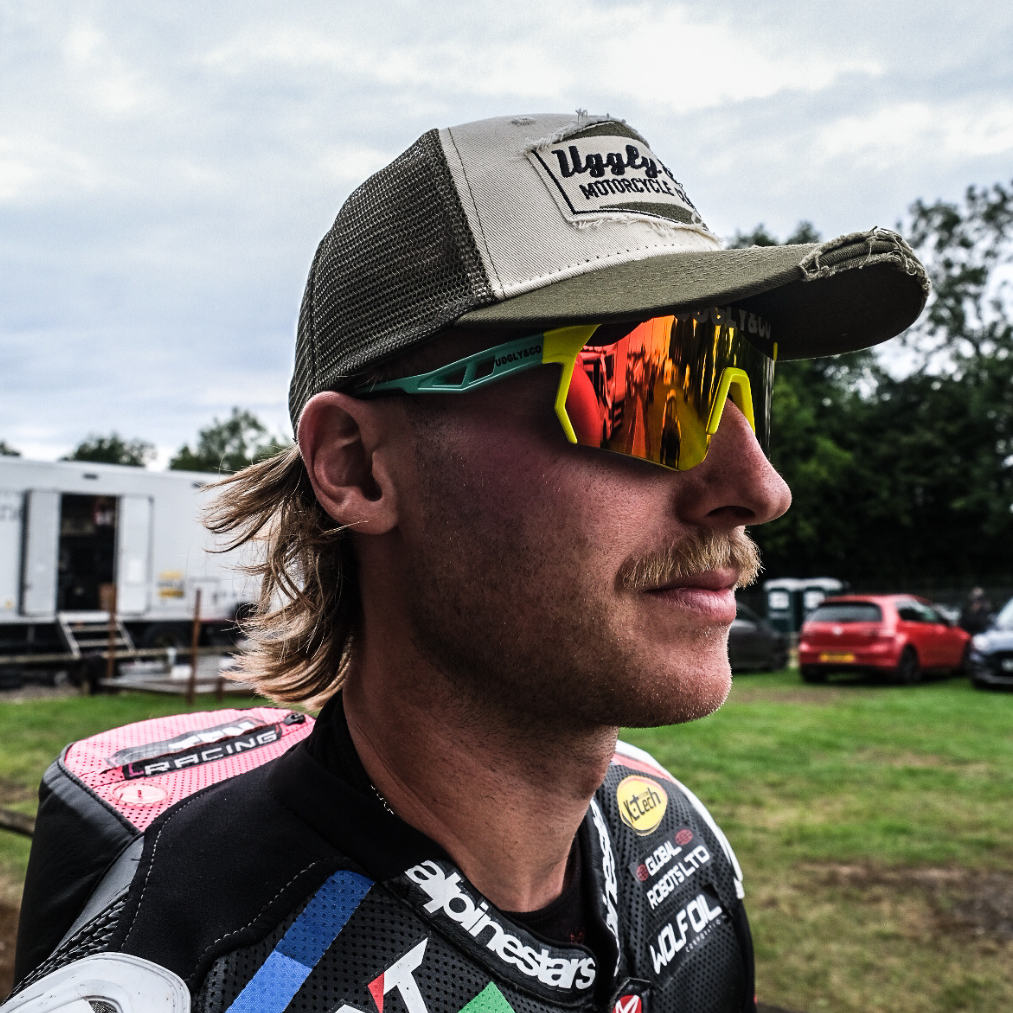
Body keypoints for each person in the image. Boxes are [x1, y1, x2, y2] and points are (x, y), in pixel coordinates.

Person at [7, 112, 928, 1013]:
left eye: (744, 382)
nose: (760, 487)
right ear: (355, 466)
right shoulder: (181, 976)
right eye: (644, 387)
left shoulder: (679, 856)